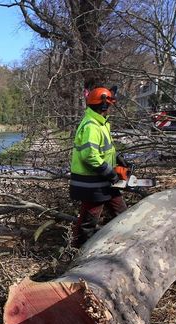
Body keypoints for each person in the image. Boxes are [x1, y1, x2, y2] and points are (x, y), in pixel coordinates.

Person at [70, 86, 127, 247]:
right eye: (108, 105)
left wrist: (117, 158)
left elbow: (102, 149)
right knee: (88, 222)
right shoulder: (91, 126)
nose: (109, 108)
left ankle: (123, 245)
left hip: (103, 181)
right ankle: (76, 252)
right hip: (92, 183)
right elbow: (89, 155)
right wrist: (110, 172)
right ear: (103, 106)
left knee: (122, 214)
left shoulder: (100, 123)